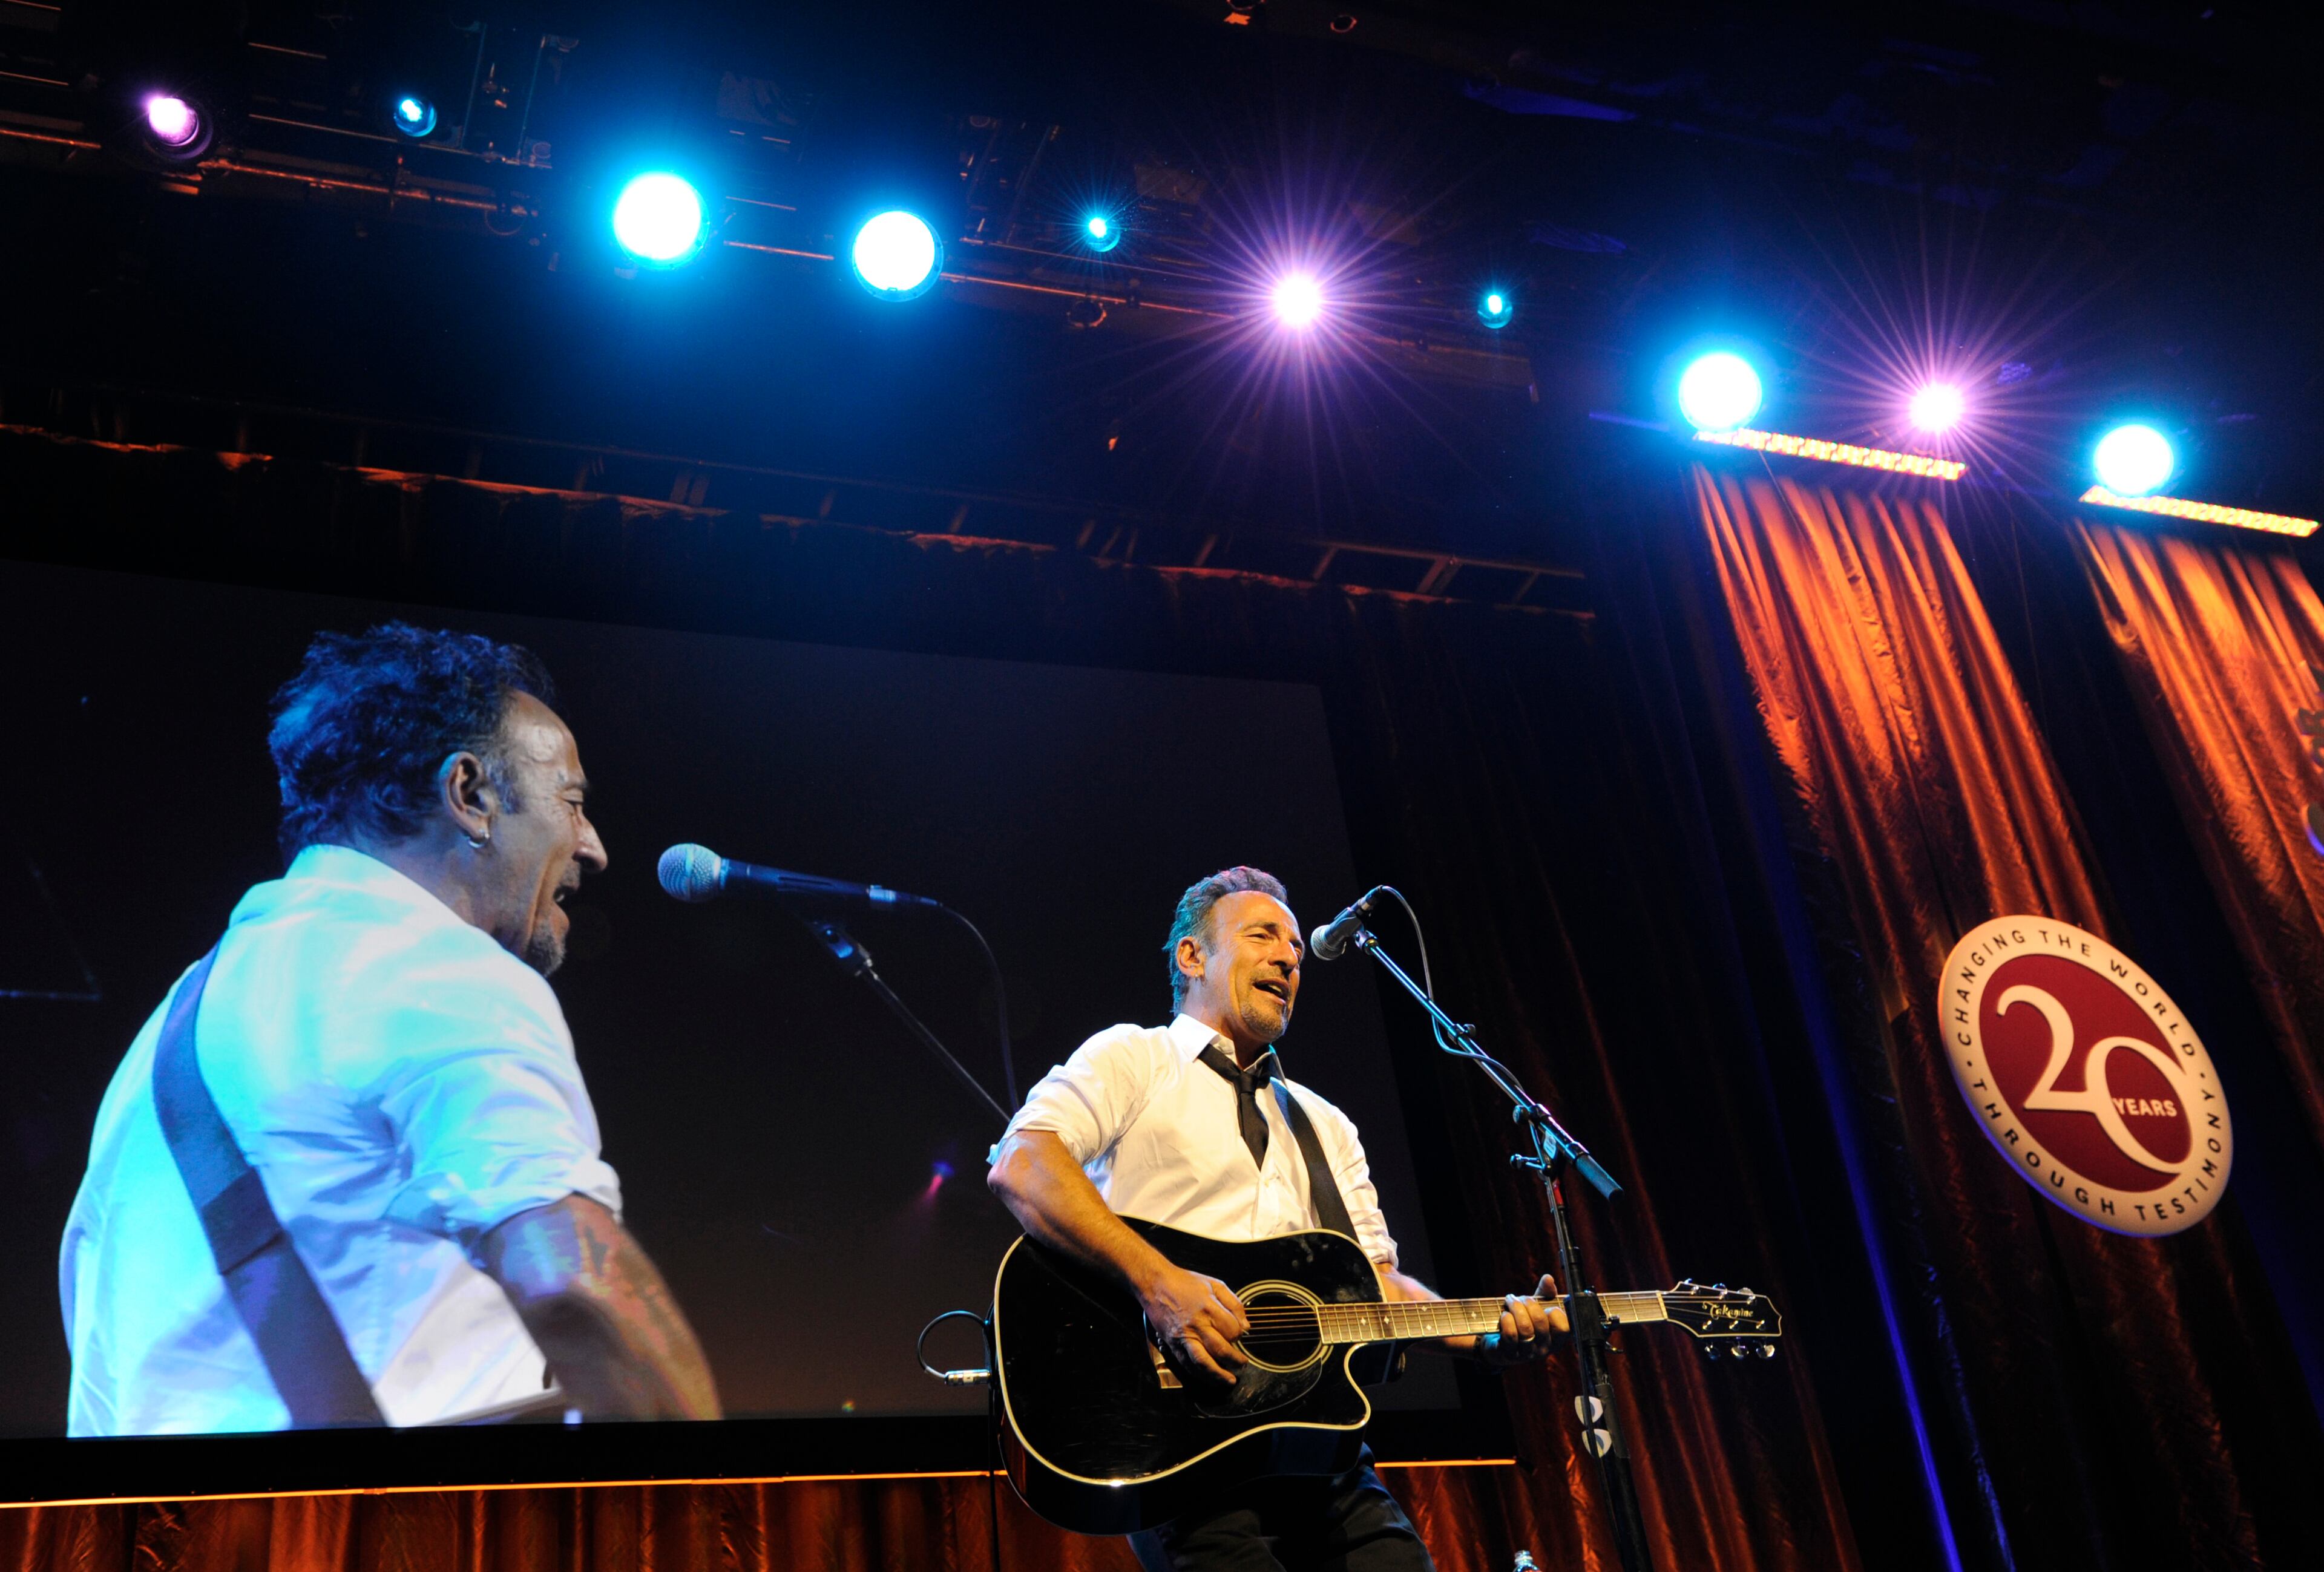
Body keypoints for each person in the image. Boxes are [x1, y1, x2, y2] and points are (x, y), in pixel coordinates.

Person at [60, 623, 719, 1434]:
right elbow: (577, 1288)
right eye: (573, 802)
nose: (594, 846)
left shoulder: (166, 1039)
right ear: (469, 794)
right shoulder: (438, 971)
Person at [987, 866, 1566, 1571]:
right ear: (1192, 958)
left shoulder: (1325, 1124)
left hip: (1318, 1448)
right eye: (1262, 935)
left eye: (1294, 945)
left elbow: (1376, 1287)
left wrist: (1487, 1337)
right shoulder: (1133, 1058)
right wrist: (1159, 1283)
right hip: (1178, 1440)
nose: (1290, 957)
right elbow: (1023, 1161)